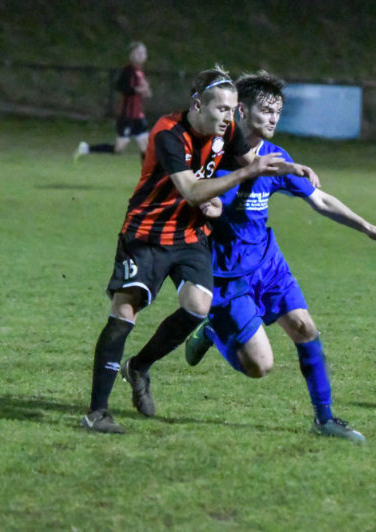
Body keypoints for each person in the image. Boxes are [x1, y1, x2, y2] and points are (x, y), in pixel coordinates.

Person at [81, 66, 316, 433]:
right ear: (197, 105)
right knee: (125, 310)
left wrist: (291, 168)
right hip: (147, 234)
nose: (229, 117)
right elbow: (192, 191)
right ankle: (97, 413)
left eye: (232, 110)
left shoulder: (228, 131)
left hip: (190, 235)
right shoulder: (168, 133)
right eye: (222, 109)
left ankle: (139, 366)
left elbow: (251, 163)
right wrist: (244, 175)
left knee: (198, 306)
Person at [179, 71, 376, 442]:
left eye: (278, 112)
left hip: (268, 264)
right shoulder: (212, 158)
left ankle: (324, 420)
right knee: (259, 367)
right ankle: (212, 332)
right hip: (227, 273)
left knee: (304, 327)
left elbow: (320, 199)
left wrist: (368, 228)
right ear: (241, 111)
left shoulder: (275, 157)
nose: (273, 119)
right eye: (266, 111)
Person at [74, 42, 153, 160]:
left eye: (143, 53)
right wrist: (138, 89)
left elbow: (146, 93)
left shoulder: (140, 72)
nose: (142, 55)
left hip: (138, 116)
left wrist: (146, 90)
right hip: (127, 115)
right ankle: (86, 148)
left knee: (146, 147)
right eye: (138, 53)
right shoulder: (127, 71)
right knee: (118, 148)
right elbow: (121, 87)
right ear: (131, 55)